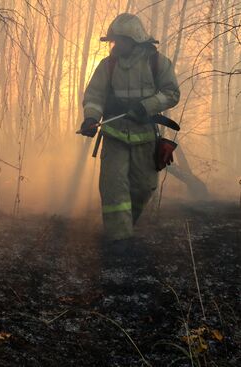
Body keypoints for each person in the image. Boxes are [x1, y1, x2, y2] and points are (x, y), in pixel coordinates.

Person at [80, 13, 180, 243]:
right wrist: (91, 118)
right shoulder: (107, 66)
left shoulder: (157, 63)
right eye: (114, 40)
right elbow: (94, 95)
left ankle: (126, 225)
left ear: (135, 39)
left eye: (120, 40)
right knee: (114, 189)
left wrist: (145, 107)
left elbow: (171, 93)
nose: (116, 44)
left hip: (145, 137)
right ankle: (119, 241)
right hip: (114, 137)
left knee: (144, 187)